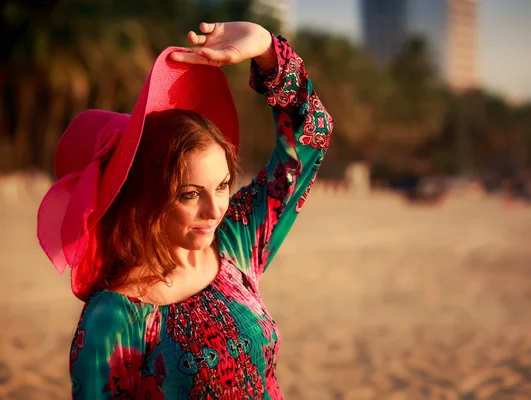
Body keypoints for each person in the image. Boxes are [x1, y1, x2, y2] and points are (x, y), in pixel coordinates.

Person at [37, 21, 333, 399]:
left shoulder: (236, 242)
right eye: (190, 194)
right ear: (145, 196)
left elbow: (310, 138)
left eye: (223, 185)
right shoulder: (113, 319)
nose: (214, 210)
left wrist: (266, 49)